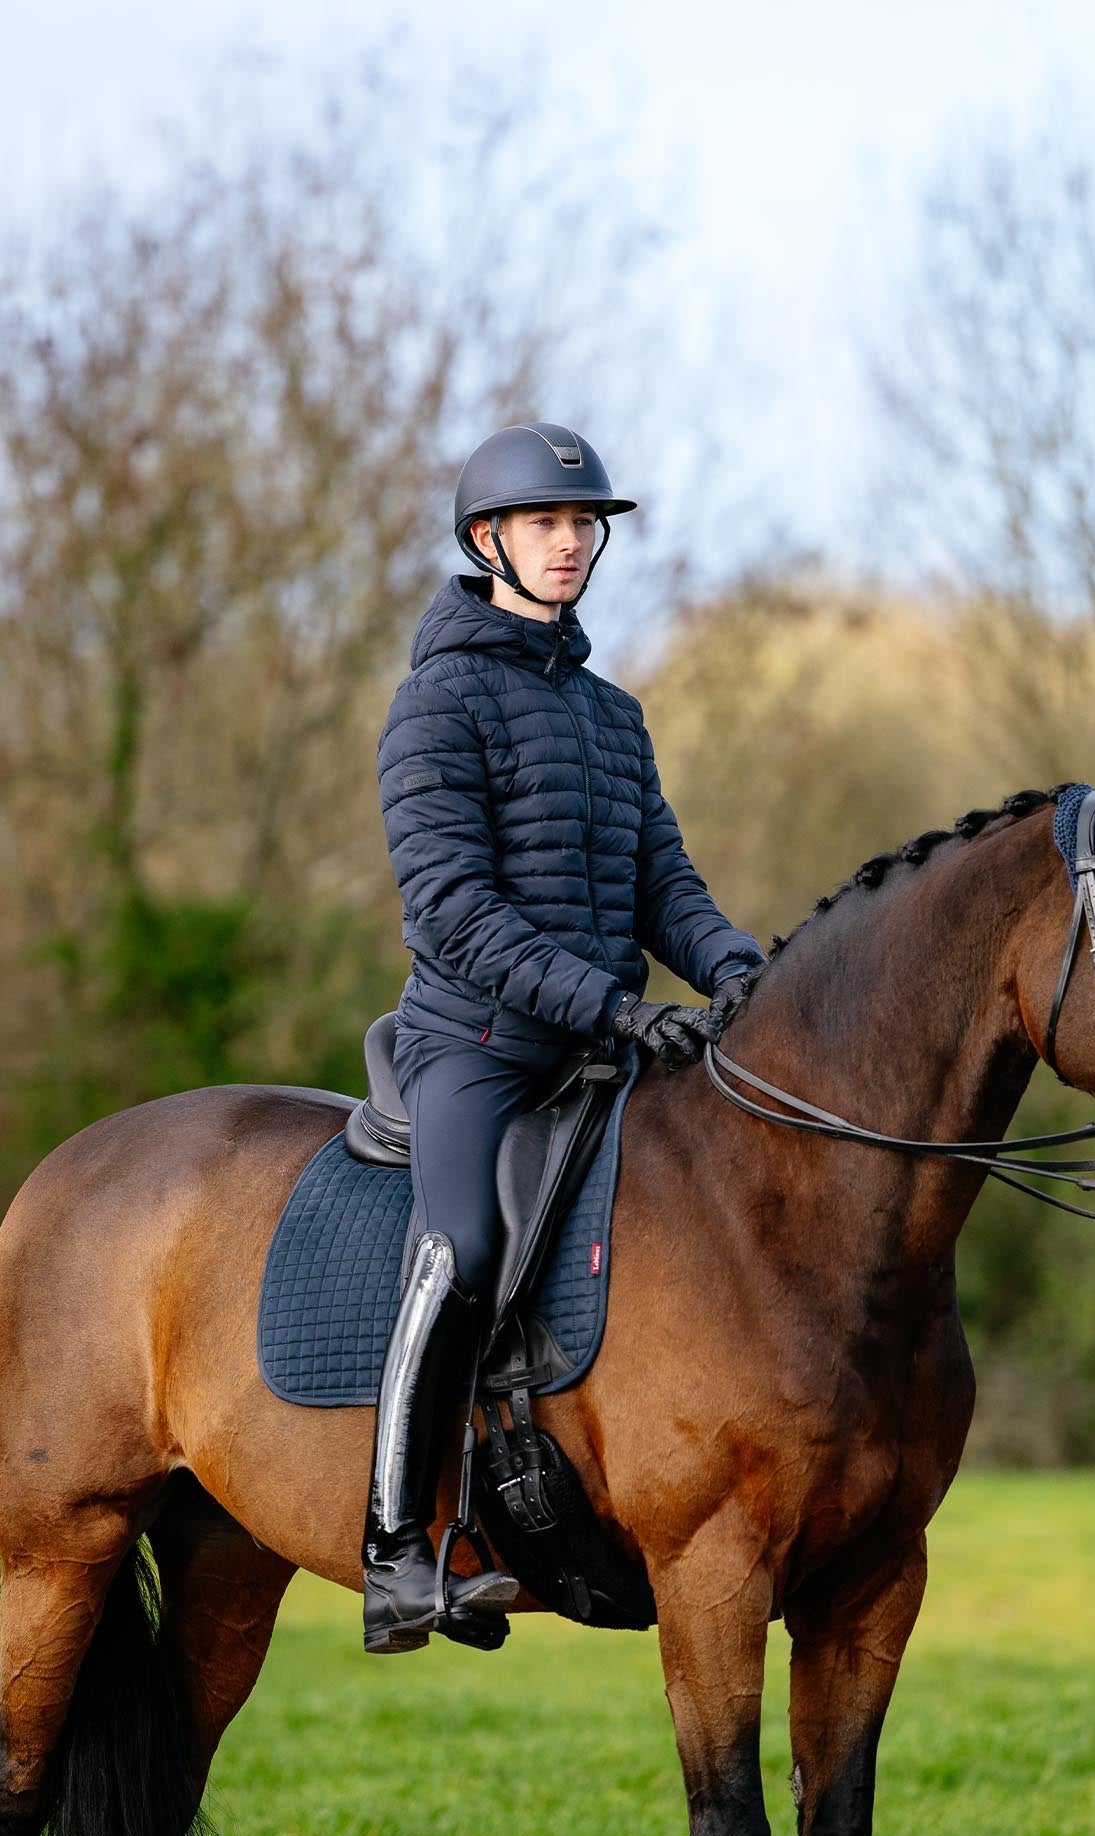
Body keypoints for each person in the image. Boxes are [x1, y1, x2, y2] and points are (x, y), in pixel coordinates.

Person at [362, 421, 767, 1657]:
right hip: (476, 1045)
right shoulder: (436, 703)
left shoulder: (612, 716)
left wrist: (745, 971)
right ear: (487, 540)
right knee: (465, 1240)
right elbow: (452, 909)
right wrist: (608, 1005)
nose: (571, 542)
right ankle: (393, 1547)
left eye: (584, 525)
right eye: (546, 523)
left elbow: (664, 886)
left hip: (607, 1045)